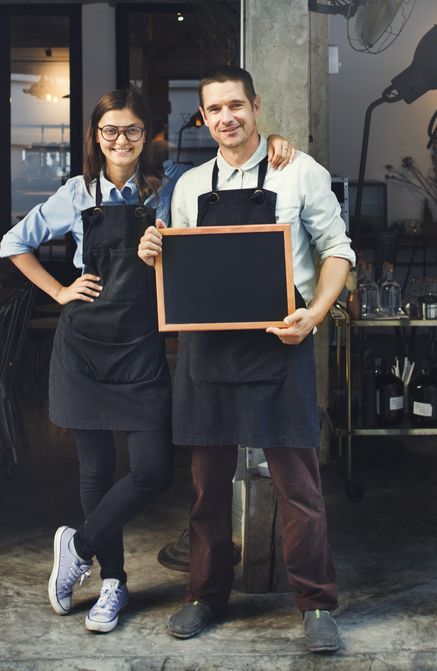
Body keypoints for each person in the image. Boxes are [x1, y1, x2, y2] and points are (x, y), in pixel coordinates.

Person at [0, 88, 295, 634]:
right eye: (109, 130)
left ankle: (78, 544)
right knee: (95, 470)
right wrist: (60, 291)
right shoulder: (76, 193)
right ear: (95, 136)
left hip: (141, 343)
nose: (120, 140)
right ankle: (112, 582)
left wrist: (274, 142)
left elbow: (232, 164)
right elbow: (14, 243)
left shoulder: (171, 187)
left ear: (147, 135)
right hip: (84, 344)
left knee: (154, 470)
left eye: (132, 130)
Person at [137, 65, 354, 653]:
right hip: (207, 350)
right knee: (207, 488)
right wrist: (153, 250)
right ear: (203, 119)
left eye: (236, 105)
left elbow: (337, 251)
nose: (226, 118)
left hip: (281, 343)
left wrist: (313, 314)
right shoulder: (187, 187)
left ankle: (315, 603)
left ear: (256, 106)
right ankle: (205, 595)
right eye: (214, 110)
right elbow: (178, 272)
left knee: (299, 487)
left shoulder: (298, 171)